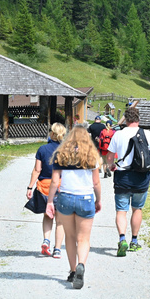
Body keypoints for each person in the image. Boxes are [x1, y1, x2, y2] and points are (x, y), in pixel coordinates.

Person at [46, 123, 104, 289]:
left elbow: (55, 182)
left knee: (70, 237)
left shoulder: (61, 155)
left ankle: (72, 271)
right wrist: (98, 200)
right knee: (83, 238)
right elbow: (96, 182)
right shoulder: (92, 156)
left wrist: (50, 201)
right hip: (85, 198)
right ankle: (81, 266)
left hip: (65, 198)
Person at [108, 115, 150, 257]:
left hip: (122, 177)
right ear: (138, 119)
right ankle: (134, 241)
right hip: (141, 177)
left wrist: (111, 165)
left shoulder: (118, 134)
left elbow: (109, 156)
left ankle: (122, 239)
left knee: (121, 211)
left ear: (126, 120)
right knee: (137, 209)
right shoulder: (146, 133)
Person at [26, 126, 64, 258]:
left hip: (44, 187)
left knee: (48, 215)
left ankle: (46, 241)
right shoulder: (66, 149)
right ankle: (57, 249)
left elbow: (37, 170)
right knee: (60, 221)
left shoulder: (42, 149)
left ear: (51, 133)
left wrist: (30, 187)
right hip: (60, 187)